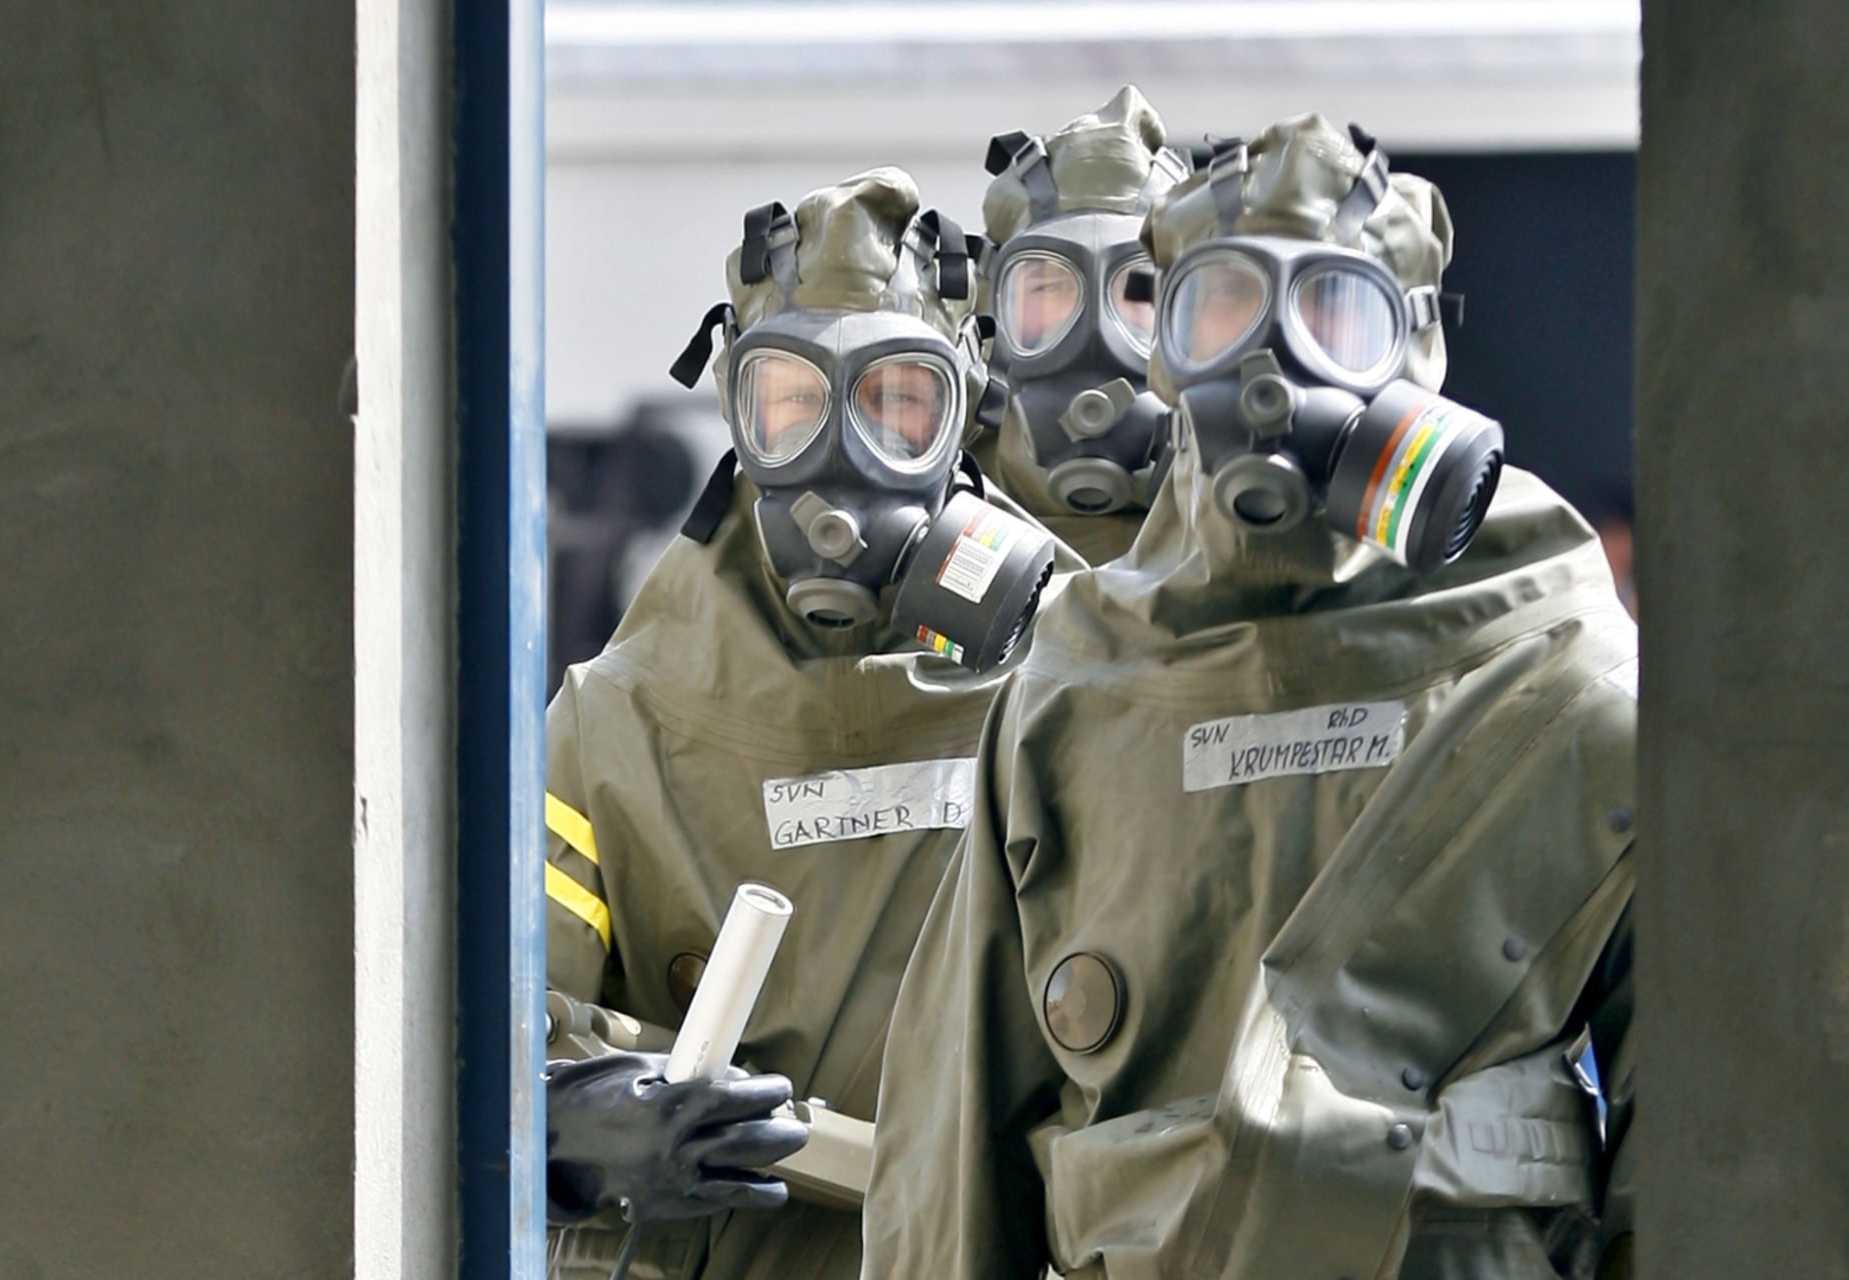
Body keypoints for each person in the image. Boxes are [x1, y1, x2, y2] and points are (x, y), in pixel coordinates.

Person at [862, 115, 1636, 1280]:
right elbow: (954, 1145)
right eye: (1219, 307)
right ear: (1163, 349)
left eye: (1334, 307)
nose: (1270, 366)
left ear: (1415, 341)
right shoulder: (1074, 687)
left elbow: (1711, 1129)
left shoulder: (1563, 666)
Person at [541, 167, 1076, 1280]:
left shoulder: (1071, 689)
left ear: (963, 414)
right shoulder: (616, 725)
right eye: (794, 402)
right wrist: (583, 1122)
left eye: (899, 401)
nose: (847, 451)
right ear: (739, 415)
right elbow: (471, 1035)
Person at [973, 86, 1191, 564]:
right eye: (1049, 289)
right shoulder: (953, 490)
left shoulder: (1231, 508)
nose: (1096, 336)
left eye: (1137, 288)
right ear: (993, 304)